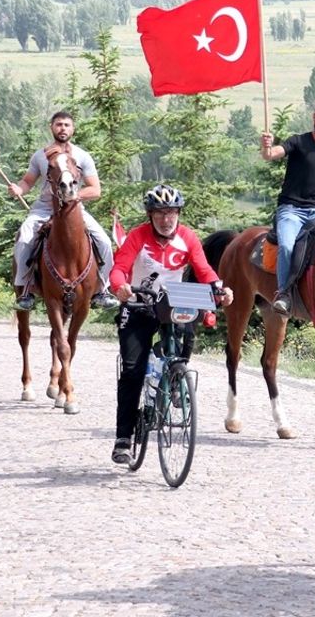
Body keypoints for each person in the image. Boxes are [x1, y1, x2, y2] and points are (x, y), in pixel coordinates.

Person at [108, 184, 234, 464]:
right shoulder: (138, 237)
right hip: (139, 305)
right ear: (151, 215)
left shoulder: (187, 237)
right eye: (160, 214)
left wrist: (221, 289)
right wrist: (120, 287)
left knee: (187, 338)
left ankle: (175, 378)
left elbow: (204, 270)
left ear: (178, 213)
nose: (167, 220)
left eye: (172, 213)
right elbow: (119, 267)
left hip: (172, 304)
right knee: (132, 371)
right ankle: (124, 438)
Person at [8, 110, 119, 311]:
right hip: (43, 209)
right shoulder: (40, 156)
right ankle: (25, 291)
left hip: (74, 210)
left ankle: (102, 290)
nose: (62, 128)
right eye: (59, 124)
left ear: (73, 129)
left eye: (67, 125)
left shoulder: (83, 157)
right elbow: (27, 182)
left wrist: (75, 196)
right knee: (24, 238)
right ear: (52, 127)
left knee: (103, 241)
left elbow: (95, 189)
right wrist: (19, 189)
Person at [260, 98, 315, 316]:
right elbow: (271, 155)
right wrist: (266, 146)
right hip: (289, 210)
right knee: (288, 247)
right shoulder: (298, 142)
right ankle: (283, 293)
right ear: (314, 118)